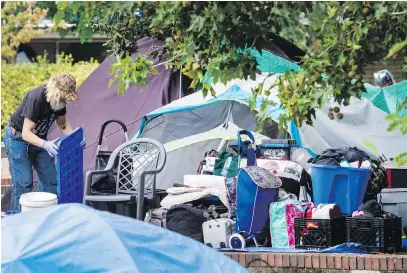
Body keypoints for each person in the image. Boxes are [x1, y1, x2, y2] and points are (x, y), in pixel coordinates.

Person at [4, 73, 85, 210]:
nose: (68, 98)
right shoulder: (36, 97)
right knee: (24, 182)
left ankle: (47, 218)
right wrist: (46, 144)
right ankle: (16, 222)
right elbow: (26, 133)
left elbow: (63, 123)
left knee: (51, 179)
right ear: (57, 90)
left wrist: (75, 138)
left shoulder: (60, 101)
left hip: (39, 138)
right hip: (17, 138)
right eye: (66, 93)